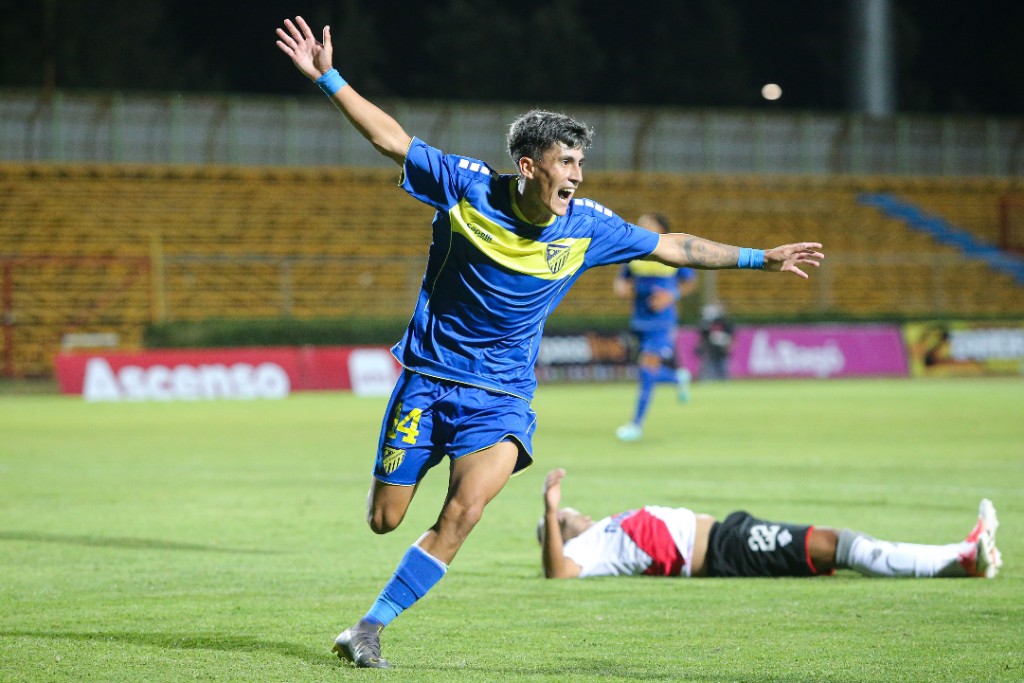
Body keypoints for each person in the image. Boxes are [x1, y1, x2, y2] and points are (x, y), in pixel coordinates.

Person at [275, 15, 825, 669]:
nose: (579, 176)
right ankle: (378, 587)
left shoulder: (589, 227)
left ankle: (369, 626)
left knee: (465, 510)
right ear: (529, 165)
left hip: (502, 396)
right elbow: (392, 140)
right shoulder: (467, 188)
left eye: (582, 163)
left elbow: (674, 246)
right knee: (385, 518)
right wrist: (329, 76)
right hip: (428, 379)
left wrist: (762, 258)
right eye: (568, 162)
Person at [539, 469, 1002, 580]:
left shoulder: (603, 529)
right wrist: (547, 508)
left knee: (834, 543)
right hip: (726, 550)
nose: (571, 512)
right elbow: (557, 572)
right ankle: (960, 559)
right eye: (562, 519)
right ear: (562, 536)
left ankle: (961, 557)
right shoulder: (588, 550)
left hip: (729, 533)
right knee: (836, 543)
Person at [613, 212, 698, 442]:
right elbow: (623, 279)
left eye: (647, 224)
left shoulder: (672, 251)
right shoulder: (635, 253)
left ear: (661, 228)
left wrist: (672, 295)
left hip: (662, 320)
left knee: (647, 370)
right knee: (645, 370)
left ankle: (636, 425)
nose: (642, 226)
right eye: (640, 223)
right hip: (639, 319)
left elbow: (690, 280)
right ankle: (677, 378)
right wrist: (621, 287)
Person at [695, 302, 734, 381]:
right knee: (706, 374)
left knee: (723, 373)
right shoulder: (705, 324)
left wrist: (729, 347)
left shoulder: (725, 323)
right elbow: (703, 338)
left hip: (721, 352)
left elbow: (731, 338)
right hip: (710, 352)